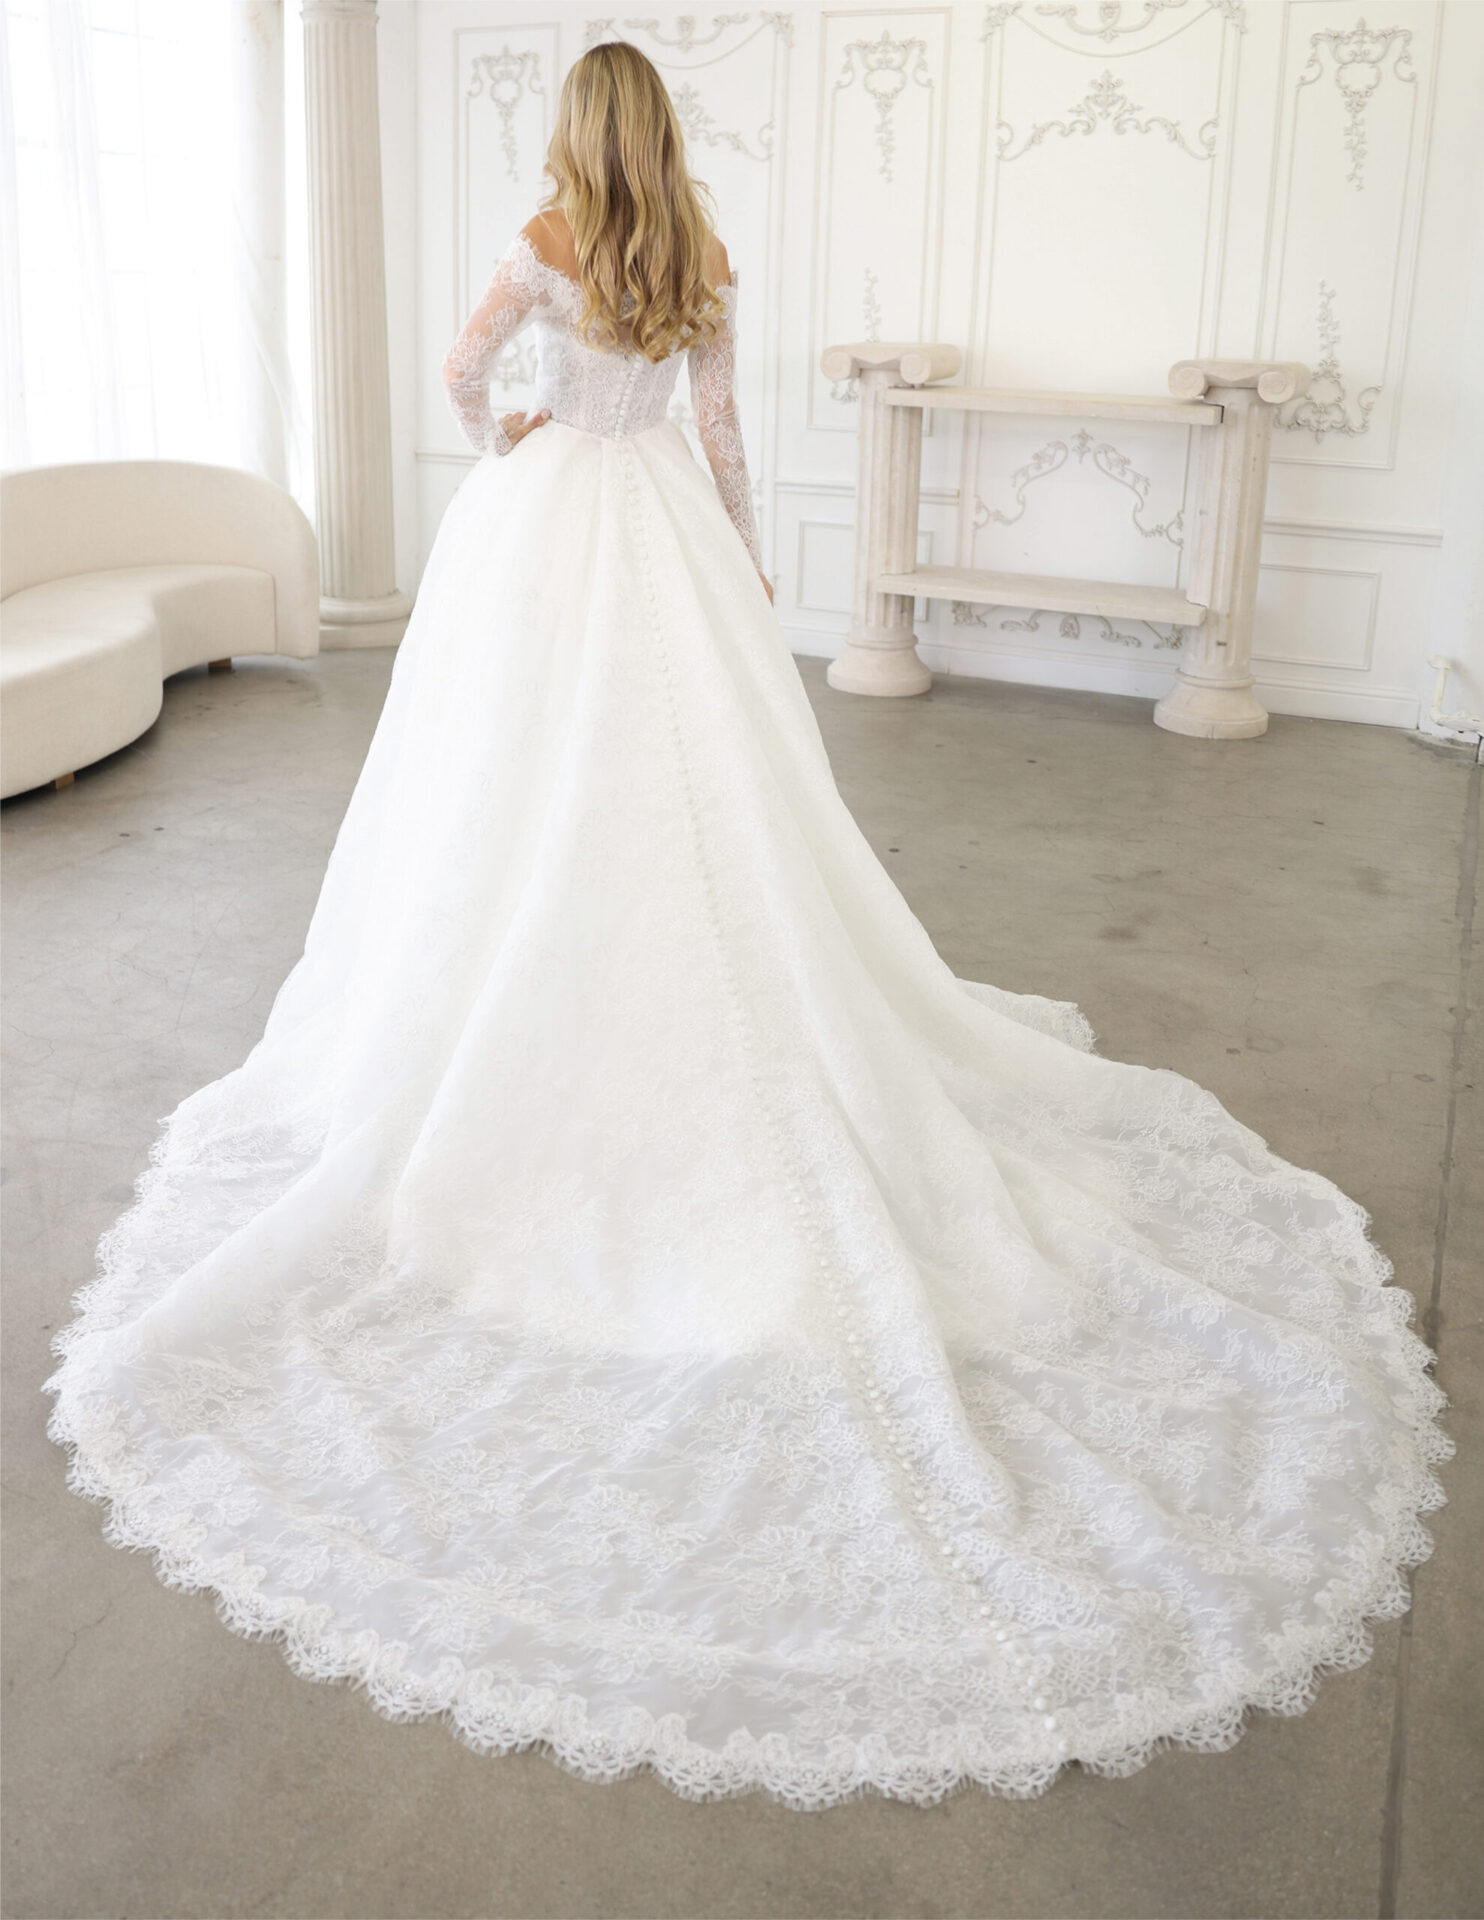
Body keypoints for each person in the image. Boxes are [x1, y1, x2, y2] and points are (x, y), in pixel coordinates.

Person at [46, 41, 1448, 1809]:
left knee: (518, 787)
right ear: (664, 133)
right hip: (663, 531)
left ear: (578, 133)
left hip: (553, 521)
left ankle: (531, 993)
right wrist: (746, 559)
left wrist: (513, 435)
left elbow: (467, 373)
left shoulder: (546, 237)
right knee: (704, 792)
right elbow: (721, 436)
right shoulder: (700, 249)